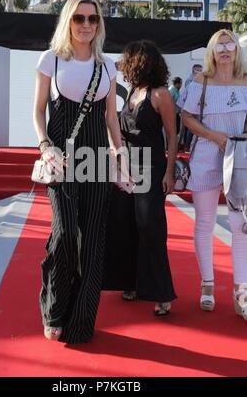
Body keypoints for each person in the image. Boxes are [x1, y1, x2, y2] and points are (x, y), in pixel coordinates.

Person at [33, 0, 123, 343]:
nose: (86, 25)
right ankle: (54, 308)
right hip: (61, 157)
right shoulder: (50, 59)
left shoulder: (108, 65)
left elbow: (111, 118)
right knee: (66, 231)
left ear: (99, 24)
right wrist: (44, 146)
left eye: (93, 19)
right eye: (79, 18)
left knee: (93, 243)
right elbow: (38, 109)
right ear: (68, 20)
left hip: (98, 158)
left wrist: (121, 156)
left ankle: (81, 321)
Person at [103, 40, 177, 316]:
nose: (123, 65)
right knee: (125, 225)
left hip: (151, 168)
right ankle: (130, 283)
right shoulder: (133, 91)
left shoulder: (160, 95)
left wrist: (169, 172)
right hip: (126, 168)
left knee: (151, 229)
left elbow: (172, 135)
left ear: (140, 62)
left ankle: (161, 294)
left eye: (127, 60)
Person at [182, 29, 247, 320]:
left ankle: (241, 290)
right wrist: (215, 136)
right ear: (211, 50)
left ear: (237, 50)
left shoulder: (246, 82)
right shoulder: (200, 82)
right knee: (205, 221)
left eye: (229, 44)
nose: (225, 49)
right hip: (206, 155)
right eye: (219, 45)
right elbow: (186, 117)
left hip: (241, 159)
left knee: (240, 225)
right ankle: (207, 284)